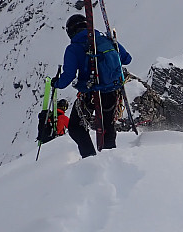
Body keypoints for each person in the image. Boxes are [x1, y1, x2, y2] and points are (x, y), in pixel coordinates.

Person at [53, 14, 132, 158]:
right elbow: (127, 59)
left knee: (76, 127)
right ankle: (110, 158)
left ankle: (89, 158)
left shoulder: (74, 48)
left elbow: (68, 75)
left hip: (91, 93)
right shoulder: (105, 40)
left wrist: (56, 83)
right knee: (108, 126)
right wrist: (113, 43)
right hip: (112, 90)